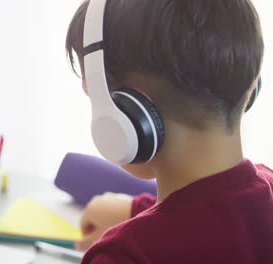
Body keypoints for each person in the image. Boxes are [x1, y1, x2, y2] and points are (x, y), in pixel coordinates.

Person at [66, 0, 273, 263]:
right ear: (250, 89)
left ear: (127, 114)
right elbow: (216, 211)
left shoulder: (124, 255)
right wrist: (137, 209)